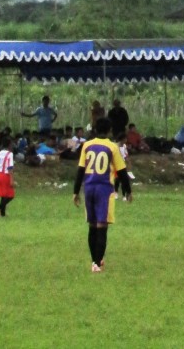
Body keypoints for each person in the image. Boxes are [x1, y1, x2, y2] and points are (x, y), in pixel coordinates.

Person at [73, 117, 132, 273]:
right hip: (104, 189)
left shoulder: (86, 145)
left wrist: (75, 191)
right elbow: (122, 171)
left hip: (89, 187)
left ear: (95, 129)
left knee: (92, 226)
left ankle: (94, 261)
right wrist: (127, 190)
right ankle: (97, 263)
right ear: (109, 130)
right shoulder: (111, 147)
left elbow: (80, 170)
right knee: (102, 226)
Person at [0, 137, 16, 217]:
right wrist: (12, 180)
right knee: (11, 195)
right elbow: (10, 168)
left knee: (4, 195)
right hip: (6, 175)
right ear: (9, 145)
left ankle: (2, 214)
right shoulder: (10, 154)